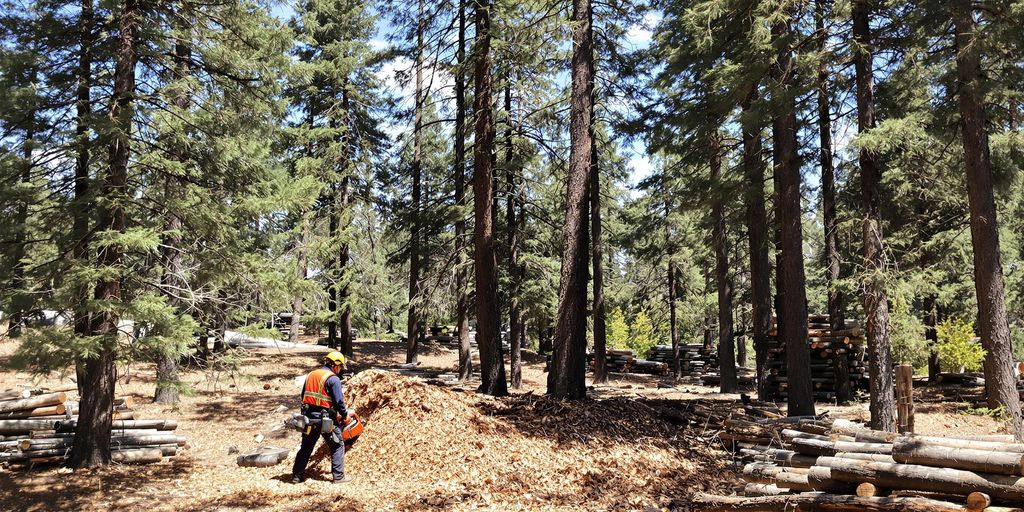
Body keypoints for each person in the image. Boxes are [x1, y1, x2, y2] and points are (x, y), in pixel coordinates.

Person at [291, 351, 353, 484]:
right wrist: (345, 415)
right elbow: (339, 402)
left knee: (306, 446)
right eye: (341, 366)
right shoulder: (333, 379)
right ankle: (338, 477)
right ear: (335, 365)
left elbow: (303, 396)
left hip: (307, 418)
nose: (340, 370)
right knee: (337, 445)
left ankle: (297, 476)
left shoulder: (311, 374)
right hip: (325, 420)